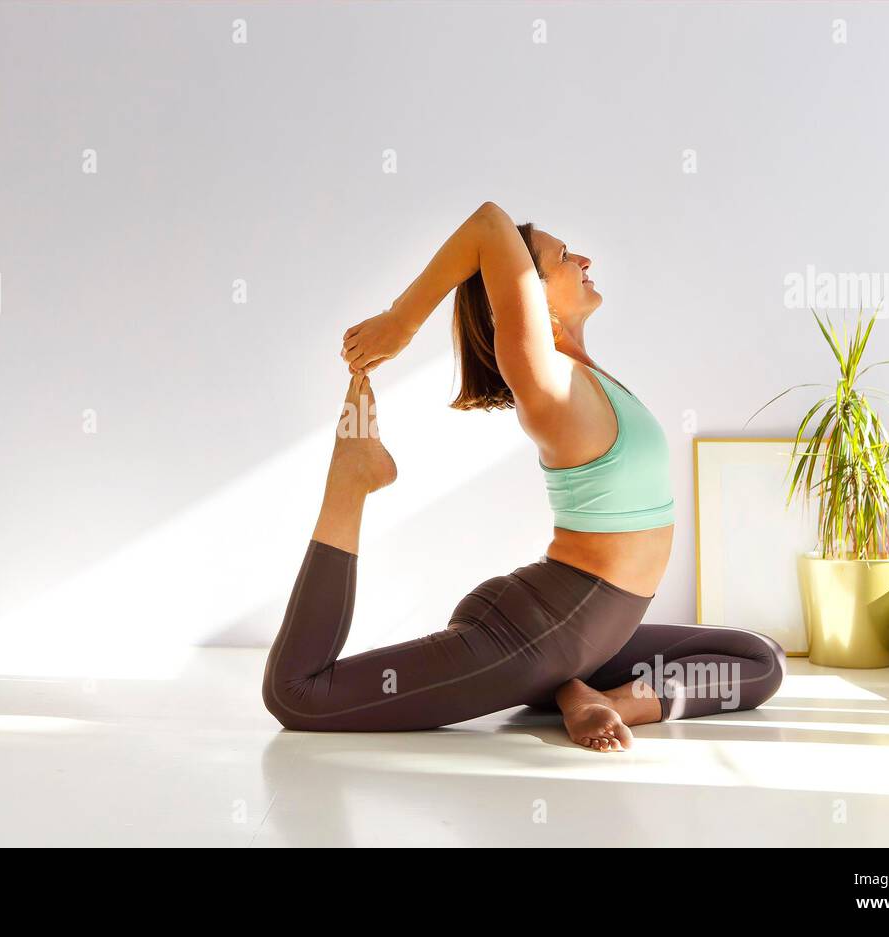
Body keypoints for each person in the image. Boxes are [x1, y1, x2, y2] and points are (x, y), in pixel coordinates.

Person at [263, 202, 784, 752]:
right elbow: (489, 223)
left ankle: (590, 695)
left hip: (579, 633)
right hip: (535, 633)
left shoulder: (585, 373)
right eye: (562, 256)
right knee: (297, 695)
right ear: (528, 294)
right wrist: (401, 320)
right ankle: (352, 478)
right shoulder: (546, 379)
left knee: (759, 658)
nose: (583, 258)